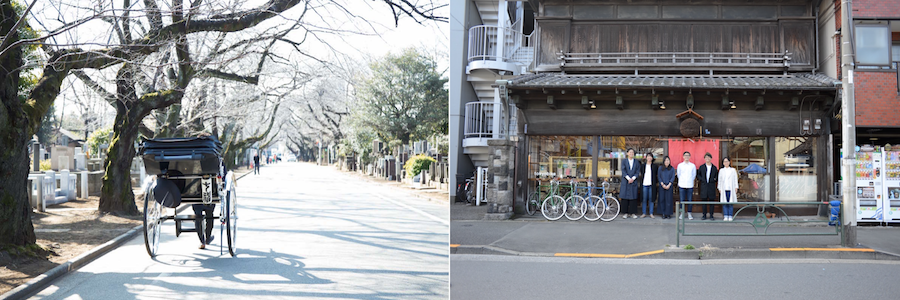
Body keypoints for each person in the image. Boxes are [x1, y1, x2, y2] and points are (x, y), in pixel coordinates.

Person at [619, 148, 641, 219]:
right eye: (630, 152)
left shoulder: (636, 162)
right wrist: (628, 178)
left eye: (632, 152)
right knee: (625, 198)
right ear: (627, 153)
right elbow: (623, 170)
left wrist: (633, 178)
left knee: (633, 198)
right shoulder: (624, 161)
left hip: (633, 181)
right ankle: (625, 213)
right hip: (626, 181)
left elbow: (638, 171)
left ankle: (633, 213)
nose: (631, 153)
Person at [698, 153, 718, 220]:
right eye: (706, 158)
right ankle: (704, 215)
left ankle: (711, 215)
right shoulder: (701, 167)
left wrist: (713, 180)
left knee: (712, 202)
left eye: (709, 157)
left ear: (711, 159)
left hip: (711, 187)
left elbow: (716, 177)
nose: (707, 159)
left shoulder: (714, 168)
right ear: (704, 159)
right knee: (704, 201)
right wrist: (702, 179)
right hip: (704, 186)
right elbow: (698, 175)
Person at [676, 151, 697, 220]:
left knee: (689, 200)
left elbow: (694, 175)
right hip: (682, 184)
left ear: (690, 157)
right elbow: (679, 175)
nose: (686, 157)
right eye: (685, 155)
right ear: (683, 157)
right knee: (682, 200)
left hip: (690, 185)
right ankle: (682, 213)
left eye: (688, 155)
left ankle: (689, 213)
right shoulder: (680, 165)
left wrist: (690, 181)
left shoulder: (692, 166)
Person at [718, 157, 739, 221]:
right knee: (725, 203)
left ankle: (730, 216)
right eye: (724, 161)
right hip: (724, 188)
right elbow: (720, 180)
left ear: (729, 162)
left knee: (730, 203)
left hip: (731, 188)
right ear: (723, 163)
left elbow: (735, 179)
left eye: (727, 161)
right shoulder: (721, 170)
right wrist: (719, 188)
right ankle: (725, 215)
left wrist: (736, 187)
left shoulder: (733, 170)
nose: (726, 163)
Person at [639, 152, 658, 218]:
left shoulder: (654, 166)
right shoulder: (643, 166)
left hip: (651, 185)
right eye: (648, 156)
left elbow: (656, 175)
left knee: (651, 199)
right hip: (644, 184)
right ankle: (644, 213)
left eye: (650, 156)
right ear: (646, 158)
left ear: (652, 158)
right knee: (644, 199)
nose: (649, 158)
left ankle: (651, 213)